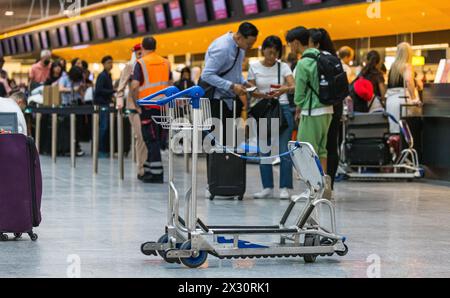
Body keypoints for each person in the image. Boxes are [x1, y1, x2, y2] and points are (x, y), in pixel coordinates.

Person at [286, 26, 333, 199]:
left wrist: (299, 105)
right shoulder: (325, 56)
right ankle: (323, 190)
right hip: (328, 111)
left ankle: (312, 190)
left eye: (290, 44)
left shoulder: (304, 63)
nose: (290, 48)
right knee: (321, 150)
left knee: (306, 151)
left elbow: (299, 95)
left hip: (311, 112)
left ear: (296, 43)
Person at [247, 35, 295, 200]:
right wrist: (263, 95)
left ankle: (285, 187)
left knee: (284, 151)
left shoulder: (284, 67)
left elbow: (292, 85)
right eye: (269, 52)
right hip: (265, 110)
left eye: (275, 53)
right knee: (264, 150)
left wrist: (283, 89)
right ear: (263, 50)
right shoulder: (254, 67)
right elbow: (250, 90)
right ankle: (267, 187)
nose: (272, 57)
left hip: (283, 109)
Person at [201, 22, 259, 145]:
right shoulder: (222, 48)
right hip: (215, 101)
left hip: (229, 100)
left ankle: (230, 164)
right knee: (216, 142)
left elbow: (235, 74)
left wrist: (245, 84)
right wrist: (232, 86)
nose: (250, 47)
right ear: (239, 37)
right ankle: (217, 164)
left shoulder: (240, 47)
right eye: (249, 44)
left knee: (231, 140)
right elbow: (206, 75)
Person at [131, 36, 171, 183]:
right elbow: (170, 83)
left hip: (147, 106)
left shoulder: (140, 63)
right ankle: (148, 170)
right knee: (156, 139)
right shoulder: (166, 62)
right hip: (162, 105)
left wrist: (136, 103)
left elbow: (135, 85)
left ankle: (156, 173)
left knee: (150, 139)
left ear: (142, 47)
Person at [309, 28, 342, 193]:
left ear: (315, 43)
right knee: (331, 144)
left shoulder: (314, 58)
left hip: (318, 106)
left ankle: (317, 184)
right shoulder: (335, 59)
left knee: (316, 146)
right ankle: (330, 185)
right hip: (336, 106)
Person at [117, 44, 148, 180]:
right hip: (133, 107)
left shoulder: (146, 66)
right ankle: (141, 169)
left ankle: (147, 165)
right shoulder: (130, 66)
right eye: (139, 53)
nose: (141, 56)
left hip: (147, 106)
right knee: (140, 137)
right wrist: (119, 101)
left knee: (147, 138)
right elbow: (121, 87)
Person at [386, 42, 421, 134]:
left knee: (395, 131)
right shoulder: (407, 66)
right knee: (407, 132)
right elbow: (409, 81)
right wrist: (414, 98)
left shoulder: (393, 67)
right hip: (403, 101)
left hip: (391, 101)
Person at [59, 59, 86, 156]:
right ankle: (66, 148)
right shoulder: (64, 78)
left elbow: (81, 94)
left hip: (77, 104)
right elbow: (60, 89)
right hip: (66, 105)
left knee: (77, 128)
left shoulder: (78, 79)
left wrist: (81, 89)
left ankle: (76, 146)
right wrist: (72, 89)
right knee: (67, 128)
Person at [94, 55, 115, 158]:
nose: (111, 65)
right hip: (102, 105)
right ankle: (101, 150)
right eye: (109, 63)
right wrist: (112, 91)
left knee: (105, 127)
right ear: (103, 64)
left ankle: (104, 149)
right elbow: (99, 90)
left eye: (112, 62)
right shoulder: (102, 76)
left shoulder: (108, 75)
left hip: (106, 103)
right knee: (103, 127)